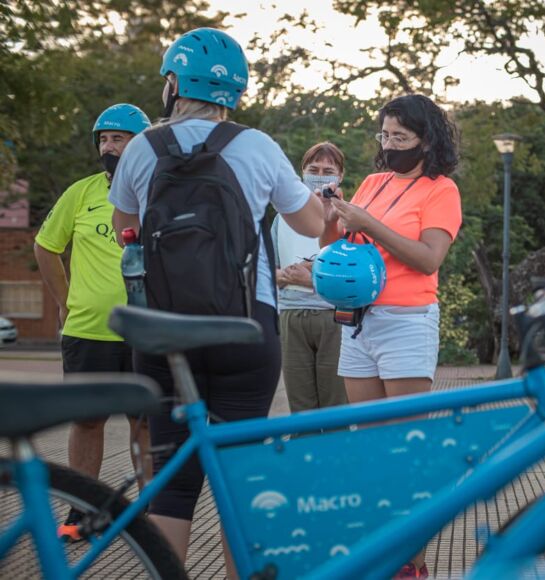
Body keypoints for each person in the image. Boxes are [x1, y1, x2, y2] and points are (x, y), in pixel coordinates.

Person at [108, 28, 324, 573]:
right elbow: (313, 223)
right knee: (239, 480)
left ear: (175, 83)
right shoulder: (257, 147)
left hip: (161, 333)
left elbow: (124, 229)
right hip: (245, 329)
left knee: (172, 485)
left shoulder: (140, 148)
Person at [319, 94, 462, 579]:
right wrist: (332, 216)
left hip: (406, 321)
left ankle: (413, 564)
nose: (390, 144)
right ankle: (381, 553)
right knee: (371, 450)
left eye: (401, 137)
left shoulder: (441, 190)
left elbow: (427, 259)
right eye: (385, 135)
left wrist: (369, 224)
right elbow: (338, 242)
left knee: (406, 449)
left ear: (427, 139)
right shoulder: (375, 181)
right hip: (359, 320)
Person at [34, 103, 153, 540]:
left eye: (118, 138)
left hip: (145, 330)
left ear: (139, 144)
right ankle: (81, 511)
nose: (108, 146)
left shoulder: (158, 191)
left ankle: (148, 517)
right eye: (103, 138)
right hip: (88, 329)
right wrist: (64, 302)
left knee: (146, 424)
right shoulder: (80, 193)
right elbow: (46, 246)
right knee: (87, 421)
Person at [272, 142, 348, 413]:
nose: (319, 174)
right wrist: (286, 275)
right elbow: (268, 268)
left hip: (334, 319)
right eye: (313, 168)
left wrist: (312, 278)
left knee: (335, 407)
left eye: (328, 169)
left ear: (340, 176)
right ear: (301, 171)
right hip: (292, 316)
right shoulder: (283, 217)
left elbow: (356, 274)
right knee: (301, 410)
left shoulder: (350, 215)